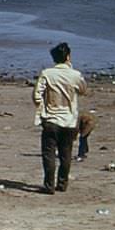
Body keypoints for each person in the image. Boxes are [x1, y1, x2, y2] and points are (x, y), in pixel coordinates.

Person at [33, 42, 87, 194]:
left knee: (48, 154)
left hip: (51, 118)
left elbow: (37, 95)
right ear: (68, 57)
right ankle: (62, 184)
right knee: (66, 153)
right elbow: (83, 90)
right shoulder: (75, 75)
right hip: (69, 119)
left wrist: (42, 111)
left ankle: (49, 185)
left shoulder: (47, 73)